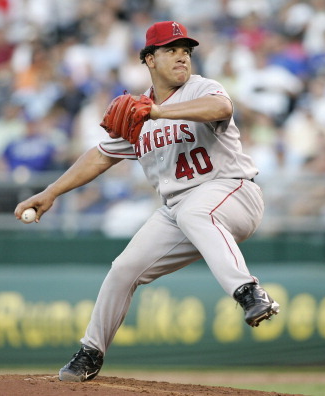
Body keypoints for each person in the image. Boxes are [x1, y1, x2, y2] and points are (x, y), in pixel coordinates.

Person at [14, 20, 279, 382]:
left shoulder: (202, 88)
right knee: (124, 269)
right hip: (179, 211)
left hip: (233, 192)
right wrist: (51, 192)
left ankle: (249, 292)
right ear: (149, 60)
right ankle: (90, 352)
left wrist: (157, 112)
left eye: (186, 51)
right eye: (171, 50)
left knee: (197, 211)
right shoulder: (138, 112)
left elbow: (218, 108)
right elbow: (100, 155)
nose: (182, 57)